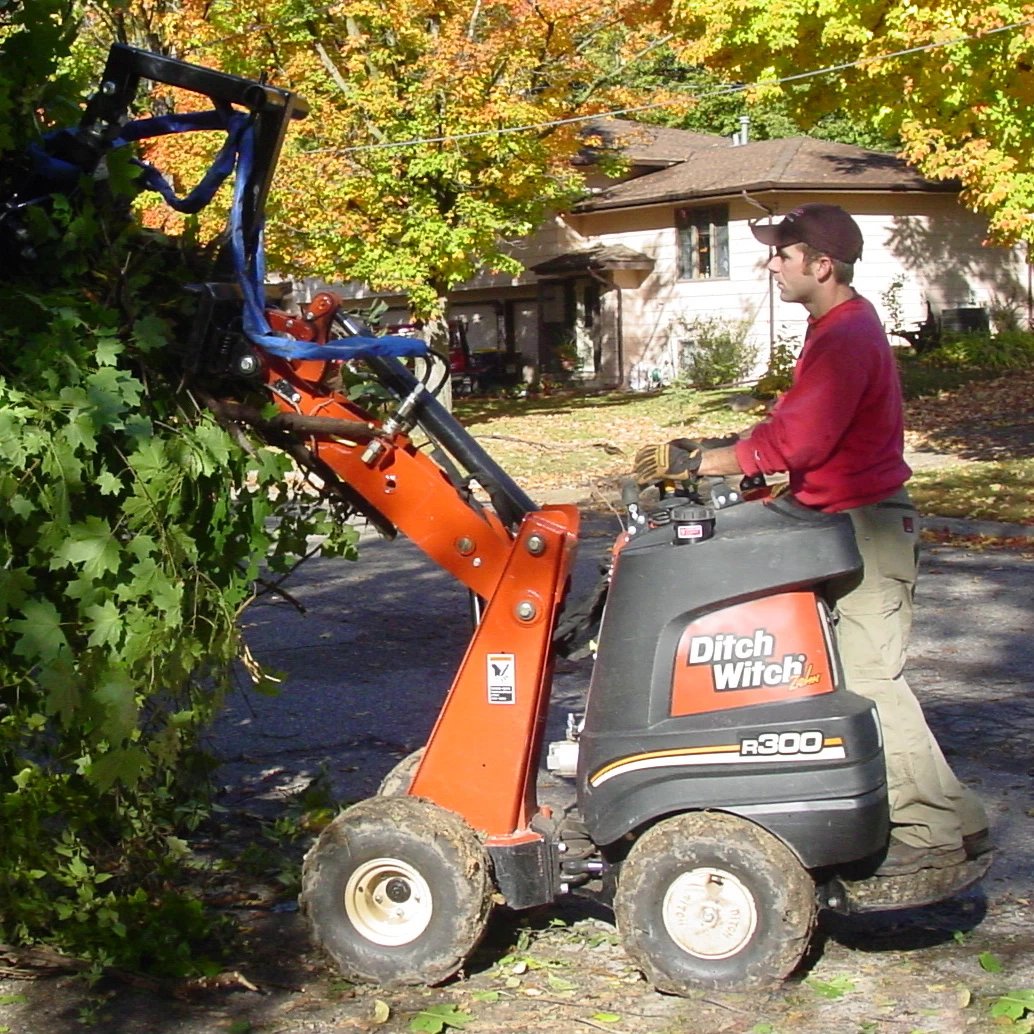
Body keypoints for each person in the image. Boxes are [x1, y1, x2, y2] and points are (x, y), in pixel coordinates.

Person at [633, 203, 988, 877]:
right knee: (848, 676)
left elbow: (799, 440)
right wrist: (730, 460)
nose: (771, 264)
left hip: (869, 531)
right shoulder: (836, 330)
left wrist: (699, 463)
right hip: (844, 523)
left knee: (869, 681)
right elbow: (805, 443)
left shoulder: (847, 335)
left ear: (821, 265)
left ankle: (932, 830)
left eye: (783, 254)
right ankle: (957, 819)